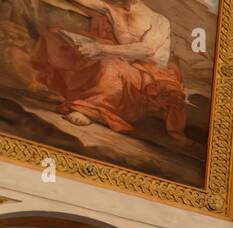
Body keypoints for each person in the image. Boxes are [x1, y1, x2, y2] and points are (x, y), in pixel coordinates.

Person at [32, 0, 187, 141]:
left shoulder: (158, 20)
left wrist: (100, 48)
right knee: (56, 36)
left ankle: (90, 110)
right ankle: (74, 94)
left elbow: (147, 50)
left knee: (107, 65)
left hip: (148, 74)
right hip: (121, 59)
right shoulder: (109, 8)